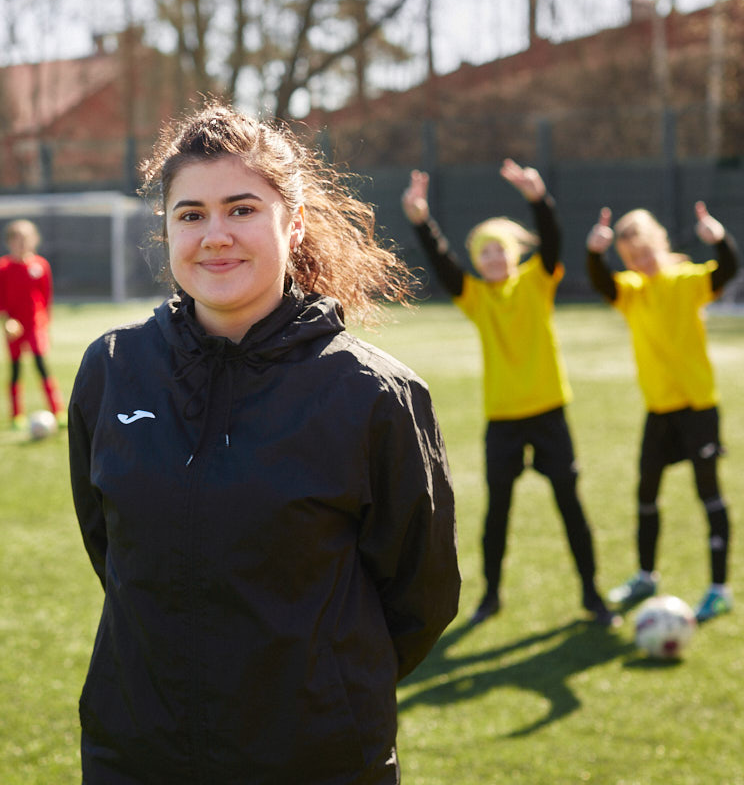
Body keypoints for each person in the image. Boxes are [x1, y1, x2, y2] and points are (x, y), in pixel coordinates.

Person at [68, 101, 460, 785]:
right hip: (135, 756)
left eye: (241, 208)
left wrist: (314, 694)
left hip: (316, 760)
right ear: (167, 230)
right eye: (191, 214)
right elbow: (112, 549)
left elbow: (419, 598)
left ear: (295, 221)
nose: (215, 235)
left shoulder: (373, 394)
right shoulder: (112, 370)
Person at [401, 162, 617, 628]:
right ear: (477, 261)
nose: (493, 258)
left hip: (549, 412)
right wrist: (421, 219)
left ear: (514, 253)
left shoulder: (539, 281)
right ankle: (491, 596)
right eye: (484, 253)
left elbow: (553, 238)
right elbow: (441, 262)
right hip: (502, 419)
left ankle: (592, 594)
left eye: (499, 250)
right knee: (497, 512)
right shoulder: (475, 297)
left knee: (570, 506)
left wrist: (538, 198)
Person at [584, 202, 740, 623]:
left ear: (661, 242)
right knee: (646, 492)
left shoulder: (688, 280)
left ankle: (719, 588)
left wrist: (719, 239)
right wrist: (594, 253)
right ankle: (646, 575)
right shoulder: (632, 291)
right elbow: (604, 284)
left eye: (647, 250)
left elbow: (727, 270)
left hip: (698, 406)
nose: (642, 261)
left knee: (708, 494)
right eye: (632, 256)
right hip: (659, 411)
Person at [0, 219, 64, 429]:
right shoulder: (3, 267)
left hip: (35, 324)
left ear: (34, 240)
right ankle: (16, 415)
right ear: (9, 243)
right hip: (14, 327)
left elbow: (45, 296)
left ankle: (57, 410)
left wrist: (45, 323)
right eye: (17, 240)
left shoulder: (40, 266)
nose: (21, 244)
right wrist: (6, 321)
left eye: (26, 239)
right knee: (15, 369)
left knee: (41, 365)